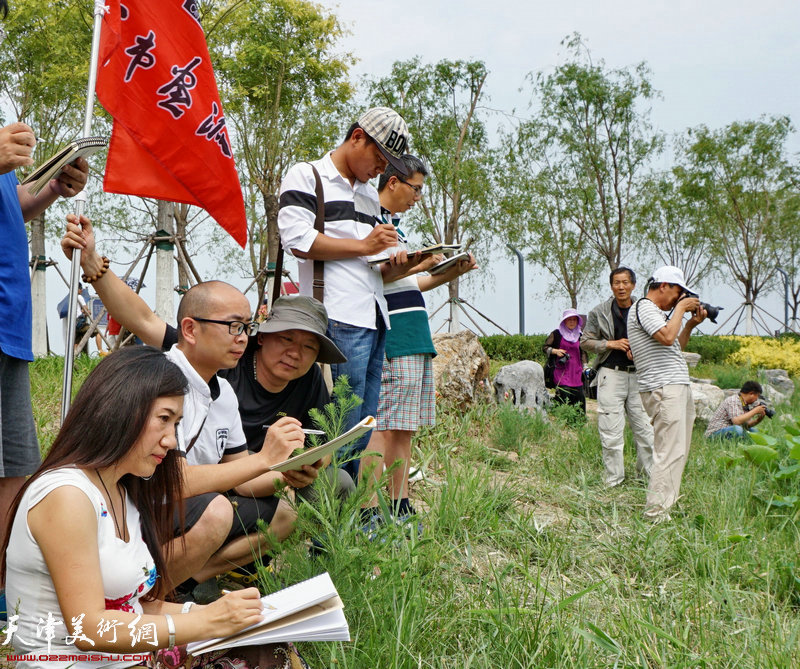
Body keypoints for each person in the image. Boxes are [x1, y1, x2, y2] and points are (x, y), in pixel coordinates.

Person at [61, 215, 312, 590]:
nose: (243, 338)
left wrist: (288, 471)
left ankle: (191, 579)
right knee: (215, 511)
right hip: (132, 507)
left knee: (289, 508)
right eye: (234, 326)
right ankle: (147, 603)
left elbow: (242, 476)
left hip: (181, 507)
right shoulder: (162, 376)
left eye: (247, 327)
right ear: (191, 330)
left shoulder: (223, 392)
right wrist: (265, 458)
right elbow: (173, 482)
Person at [1, 347, 275, 669]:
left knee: (267, 646)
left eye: (176, 424)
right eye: (164, 419)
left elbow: (135, 608)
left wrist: (215, 614)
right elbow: (89, 629)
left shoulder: (121, 491)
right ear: (121, 408)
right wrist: (208, 623)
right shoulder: (67, 495)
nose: (172, 440)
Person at [277, 106, 422, 481]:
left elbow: (375, 264)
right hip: (336, 318)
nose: (381, 169)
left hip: (374, 317)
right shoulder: (308, 175)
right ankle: (324, 522)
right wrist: (363, 245)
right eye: (379, 157)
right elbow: (298, 240)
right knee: (337, 427)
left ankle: (348, 515)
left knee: (363, 427)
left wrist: (405, 263)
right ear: (357, 137)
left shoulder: (369, 198)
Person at [0, 112, 88, 621]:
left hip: (10, 319)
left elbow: (8, 208)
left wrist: (52, 187)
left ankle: (7, 602)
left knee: (15, 471)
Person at [360, 155, 477, 527]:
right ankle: (367, 510)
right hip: (390, 332)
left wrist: (447, 271)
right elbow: (377, 274)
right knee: (381, 425)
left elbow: (408, 281)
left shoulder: (397, 228)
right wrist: (418, 262)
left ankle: (399, 504)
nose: (418, 197)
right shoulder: (368, 220)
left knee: (405, 426)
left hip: (414, 331)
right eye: (416, 189)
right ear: (392, 182)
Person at [627, 265, 707, 521]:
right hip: (663, 387)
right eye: (678, 293)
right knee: (668, 451)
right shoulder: (643, 307)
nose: (679, 299)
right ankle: (655, 513)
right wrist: (681, 310)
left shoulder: (659, 315)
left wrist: (690, 324)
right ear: (663, 286)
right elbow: (666, 337)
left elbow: (674, 345)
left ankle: (665, 507)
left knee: (677, 451)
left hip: (674, 384)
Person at [581, 267, 654, 487]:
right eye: (616, 283)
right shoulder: (599, 312)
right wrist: (610, 344)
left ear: (633, 285)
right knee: (611, 431)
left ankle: (648, 478)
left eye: (625, 282)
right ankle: (613, 480)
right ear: (611, 285)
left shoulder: (645, 309)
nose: (620, 287)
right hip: (610, 375)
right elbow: (585, 341)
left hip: (641, 377)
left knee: (646, 432)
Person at [543, 309, 589, 414]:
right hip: (561, 372)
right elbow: (545, 347)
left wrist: (585, 366)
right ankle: (560, 420)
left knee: (579, 398)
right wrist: (555, 351)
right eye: (569, 320)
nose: (572, 322)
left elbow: (583, 353)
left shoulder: (580, 336)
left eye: (574, 320)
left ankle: (579, 423)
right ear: (564, 321)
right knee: (563, 396)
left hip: (576, 372)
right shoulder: (556, 334)